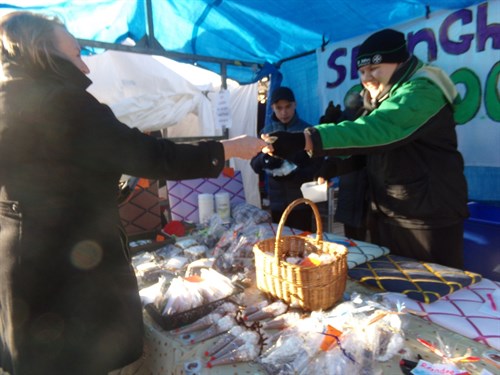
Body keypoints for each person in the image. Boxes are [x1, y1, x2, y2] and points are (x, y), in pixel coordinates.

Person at [0, 11, 266, 375]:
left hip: (19, 264)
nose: (86, 69)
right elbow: (153, 157)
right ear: (43, 54)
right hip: (68, 270)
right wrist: (227, 149)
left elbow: (50, 175)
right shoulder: (63, 101)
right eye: (77, 55)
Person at [262, 29, 468, 269]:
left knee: (432, 291)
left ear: (400, 62)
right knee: (396, 290)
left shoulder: (422, 90)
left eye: (374, 69)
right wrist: (336, 166)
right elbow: (376, 150)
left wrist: (305, 139)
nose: (367, 78)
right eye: (362, 71)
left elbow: (379, 130)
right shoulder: (384, 95)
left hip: (427, 217)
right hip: (391, 210)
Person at [250, 86, 322, 231]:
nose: (284, 112)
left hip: (302, 202)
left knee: (303, 243)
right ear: (272, 107)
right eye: (279, 108)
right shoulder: (266, 133)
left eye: (288, 107)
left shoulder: (307, 131)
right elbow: (254, 165)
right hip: (277, 203)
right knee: (281, 244)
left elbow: (319, 165)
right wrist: (265, 159)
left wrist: (297, 172)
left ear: (295, 104)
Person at [316, 93, 371, 241]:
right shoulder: (346, 117)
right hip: (351, 190)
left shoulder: (373, 121)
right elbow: (335, 148)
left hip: (368, 195)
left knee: (366, 244)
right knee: (353, 241)